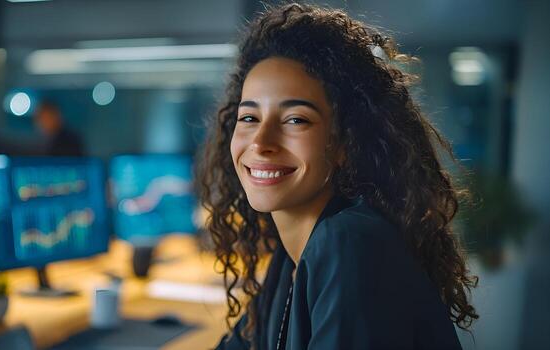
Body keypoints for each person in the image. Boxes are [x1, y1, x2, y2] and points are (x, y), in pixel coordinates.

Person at [197, 3, 478, 349]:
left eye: (296, 119)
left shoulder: (349, 242)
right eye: (249, 118)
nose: (261, 142)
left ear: (346, 143)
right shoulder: (290, 263)